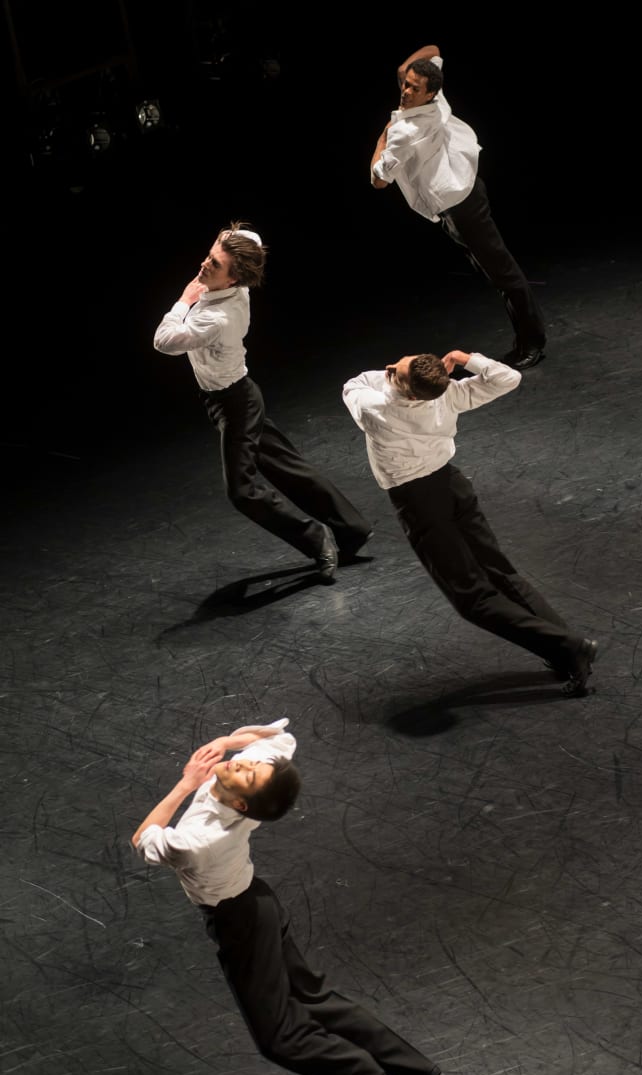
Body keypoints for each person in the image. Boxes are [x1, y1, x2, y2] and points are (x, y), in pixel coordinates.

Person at [131, 719, 442, 1075]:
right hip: (258, 901)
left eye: (244, 771)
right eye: (244, 766)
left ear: (241, 804)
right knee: (311, 995)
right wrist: (226, 741)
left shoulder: (197, 841)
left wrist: (187, 784)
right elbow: (273, 738)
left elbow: (143, 838)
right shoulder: (257, 779)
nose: (239, 764)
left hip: (239, 921)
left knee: (279, 1037)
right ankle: (414, 1070)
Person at [342, 349, 598, 695]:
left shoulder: (379, 409)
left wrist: (404, 380)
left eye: (395, 372)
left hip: (420, 501)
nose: (388, 368)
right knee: (500, 572)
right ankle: (565, 651)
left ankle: (571, 646)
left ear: (409, 392)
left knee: (472, 599)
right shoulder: (448, 394)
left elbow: (355, 383)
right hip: (453, 486)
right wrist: (467, 360)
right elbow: (509, 378)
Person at [153, 222, 373, 582]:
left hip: (234, 403)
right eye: (210, 256)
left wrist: (184, 300)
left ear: (233, 280)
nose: (205, 265)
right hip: (236, 395)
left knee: (242, 491)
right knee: (284, 465)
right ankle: (351, 527)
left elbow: (164, 342)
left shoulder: (215, 316)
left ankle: (315, 536)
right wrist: (230, 240)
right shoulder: (238, 276)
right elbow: (250, 240)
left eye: (215, 265)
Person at [370, 46, 547, 370]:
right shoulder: (437, 97)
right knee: (494, 271)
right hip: (465, 193)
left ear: (430, 93)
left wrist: (383, 135)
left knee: (503, 273)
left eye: (413, 88)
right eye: (405, 84)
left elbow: (378, 180)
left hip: (462, 209)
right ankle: (528, 337)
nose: (406, 91)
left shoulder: (404, 134)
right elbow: (434, 51)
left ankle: (531, 342)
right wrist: (405, 69)